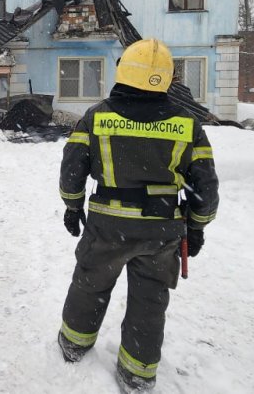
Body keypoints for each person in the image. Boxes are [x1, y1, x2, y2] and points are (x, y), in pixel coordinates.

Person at [56, 39, 219, 393]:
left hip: (107, 226)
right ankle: (138, 372)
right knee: (150, 300)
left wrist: (72, 206)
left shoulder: (97, 116)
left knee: (90, 285)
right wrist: (197, 226)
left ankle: (74, 342)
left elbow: (73, 167)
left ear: (124, 70)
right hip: (161, 232)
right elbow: (205, 184)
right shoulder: (187, 124)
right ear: (167, 78)